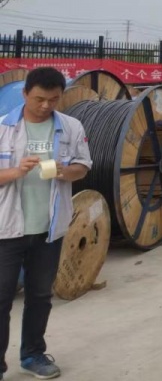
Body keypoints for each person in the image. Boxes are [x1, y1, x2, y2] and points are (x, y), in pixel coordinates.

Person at [0, 67, 92, 379]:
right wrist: (16, 171)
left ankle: (33, 355)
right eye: (39, 99)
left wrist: (65, 171)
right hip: (6, 230)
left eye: (53, 99)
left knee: (40, 296)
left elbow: (83, 165)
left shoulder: (70, 127)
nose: (45, 106)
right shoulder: (3, 127)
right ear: (25, 93)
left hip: (48, 229)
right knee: (1, 299)